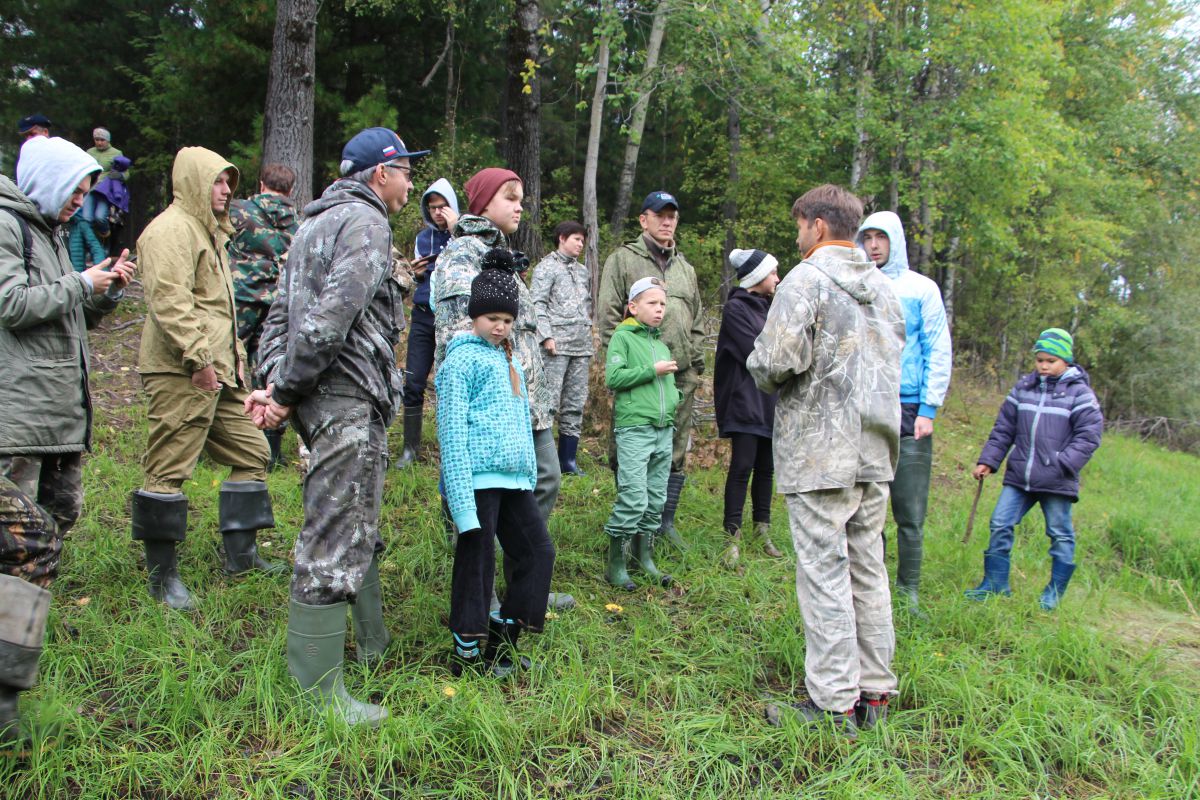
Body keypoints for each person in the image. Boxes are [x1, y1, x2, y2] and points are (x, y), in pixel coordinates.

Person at [248, 127, 427, 726]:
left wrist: (277, 388)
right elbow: (330, 317)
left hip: (317, 396)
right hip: (344, 395)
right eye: (406, 171)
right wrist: (289, 388)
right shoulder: (367, 224)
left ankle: (372, 645)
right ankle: (317, 693)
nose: (410, 182)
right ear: (382, 172)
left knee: (354, 519)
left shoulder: (310, 224)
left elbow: (278, 313)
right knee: (335, 529)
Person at [749, 184, 905, 735]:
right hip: (876, 450)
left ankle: (834, 703)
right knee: (868, 567)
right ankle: (876, 693)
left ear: (817, 225)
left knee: (824, 573)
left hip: (821, 452)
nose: (796, 237)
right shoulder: (885, 290)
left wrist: (756, 361)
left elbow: (774, 361)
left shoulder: (807, 279)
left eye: (798, 227)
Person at [131, 146, 285, 613]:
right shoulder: (169, 232)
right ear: (194, 182)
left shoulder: (208, 231)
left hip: (218, 374)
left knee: (253, 451)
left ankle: (241, 557)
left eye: (229, 183)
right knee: (169, 467)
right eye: (218, 182)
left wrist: (232, 368)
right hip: (181, 371)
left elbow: (221, 311)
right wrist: (199, 361)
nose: (225, 191)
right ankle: (163, 581)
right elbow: (171, 303)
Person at [434, 167, 573, 611]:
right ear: (482, 203)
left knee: (544, 479)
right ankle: (482, 597)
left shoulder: (506, 258)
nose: (519, 205)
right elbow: (458, 333)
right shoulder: (463, 255)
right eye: (509, 196)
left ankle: (525, 582)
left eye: (521, 197)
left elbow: (522, 334)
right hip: (488, 411)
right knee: (480, 502)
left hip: (525, 405)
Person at [437, 257, 556, 677]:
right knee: (477, 562)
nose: (500, 327)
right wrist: (460, 499)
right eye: (491, 318)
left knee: (537, 552)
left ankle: (503, 643)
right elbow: (450, 435)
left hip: (515, 482)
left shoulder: (511, 362)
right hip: (477, 481)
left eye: (507, 319)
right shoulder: (460, 363)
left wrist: (528, 473)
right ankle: (466, 657)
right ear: (474, 316)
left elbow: (521, 425)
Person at [855, 211, 952, 616]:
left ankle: (909, 590)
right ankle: (869, 587)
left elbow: (937, 348)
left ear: (895, 240)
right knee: (865, 505)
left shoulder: (921, 289)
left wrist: (928, 408)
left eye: (881, 237)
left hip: (910, 408)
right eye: (867, 237)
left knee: (909, 510)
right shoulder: (856, 283)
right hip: (865, 407)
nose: (874, 245)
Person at [965, 328, 1103, 611]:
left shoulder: (1080, 394)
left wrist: (1063, 463)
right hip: (1019, 478)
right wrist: (988, 461)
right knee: (1000, 523)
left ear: (1066, 360)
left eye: (1050, 360)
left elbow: (1089, 436)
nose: (1043, 365)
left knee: (1059, 533)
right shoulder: (1023, 389)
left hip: (1057, 480)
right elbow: (1004, 429)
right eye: (1039, 360)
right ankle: (995, 583)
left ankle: (1053, 592)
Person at [598, 191, 704, 550]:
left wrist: (695, 364)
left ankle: (662, 523)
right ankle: (627, 523)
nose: (667, 221)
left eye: (672, 216)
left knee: (673, 448)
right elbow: (609, 316)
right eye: (660, 215)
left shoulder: (685, 268)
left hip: (680, 376)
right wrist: (632, 359)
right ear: (643, 219)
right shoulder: (623, 259)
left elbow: (698, 320)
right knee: (630, 447)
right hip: (638, 377)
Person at [602, 276, 679, 590]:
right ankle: (615, 564)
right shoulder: (623, 338)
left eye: (662, 303)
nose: (659, 309)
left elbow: (666, 387)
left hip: (664, 430)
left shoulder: (660, 343)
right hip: (635, 428)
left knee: (656, 499)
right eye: (651, 302)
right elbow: (614, 377)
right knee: (634, 497)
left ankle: (643, 557)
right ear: (633, 306)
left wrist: (675, 399)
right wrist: (653, 370)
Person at [714, 249, 783, 570]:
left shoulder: (770, 307)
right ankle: (732, 539)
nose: (777, 279)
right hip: (744, 400)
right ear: (757, 278)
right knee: (742, 467)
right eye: (773, 273)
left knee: (767, 468)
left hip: (770, 401)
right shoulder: (736, 309)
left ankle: (762, 531)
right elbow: (756, 352)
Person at [228, 163, 300, 470]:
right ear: (291, 190)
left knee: (226, 364)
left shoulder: (240, 212)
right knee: (270, 369)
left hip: (241, 300)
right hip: (277, 305)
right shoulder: (298, 221)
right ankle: (270, 450)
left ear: (261, 185)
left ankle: (218, 436)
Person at [396, 178, 460, 468]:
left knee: (452, 384)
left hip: (452, 317)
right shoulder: (423, 239)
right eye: (432, 207)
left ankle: (453, 450)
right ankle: (410, 450)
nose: (437, 212)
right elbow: (414, 277)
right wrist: (416, 272)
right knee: (413, 381)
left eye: (442, 206)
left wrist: (455, 229)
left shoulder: (464, 234)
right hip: (422, 314)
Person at [531, 220, 593, 475]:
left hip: (581, 346)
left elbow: (587, 305)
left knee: (575, 403)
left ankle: (568, 461)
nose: (580, 244)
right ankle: (541, 460)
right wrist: (546, 336)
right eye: (576, 239)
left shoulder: (582, 271)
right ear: (562, 238)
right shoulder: (546, 267)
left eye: (582, 240)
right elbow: (537, 303)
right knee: (548, 403)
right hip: (555, 347)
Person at [81, 128, 125, 238]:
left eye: (102, 140)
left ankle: (106, 235)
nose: (99, 142)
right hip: (90, 188)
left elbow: (125, 172)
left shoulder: (116, 153)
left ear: (108, 140)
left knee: (100, 217)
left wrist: (120, 175)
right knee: (86, 217)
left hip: (105, 191)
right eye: (97, 139)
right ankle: (92, 242)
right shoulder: (90, 152)